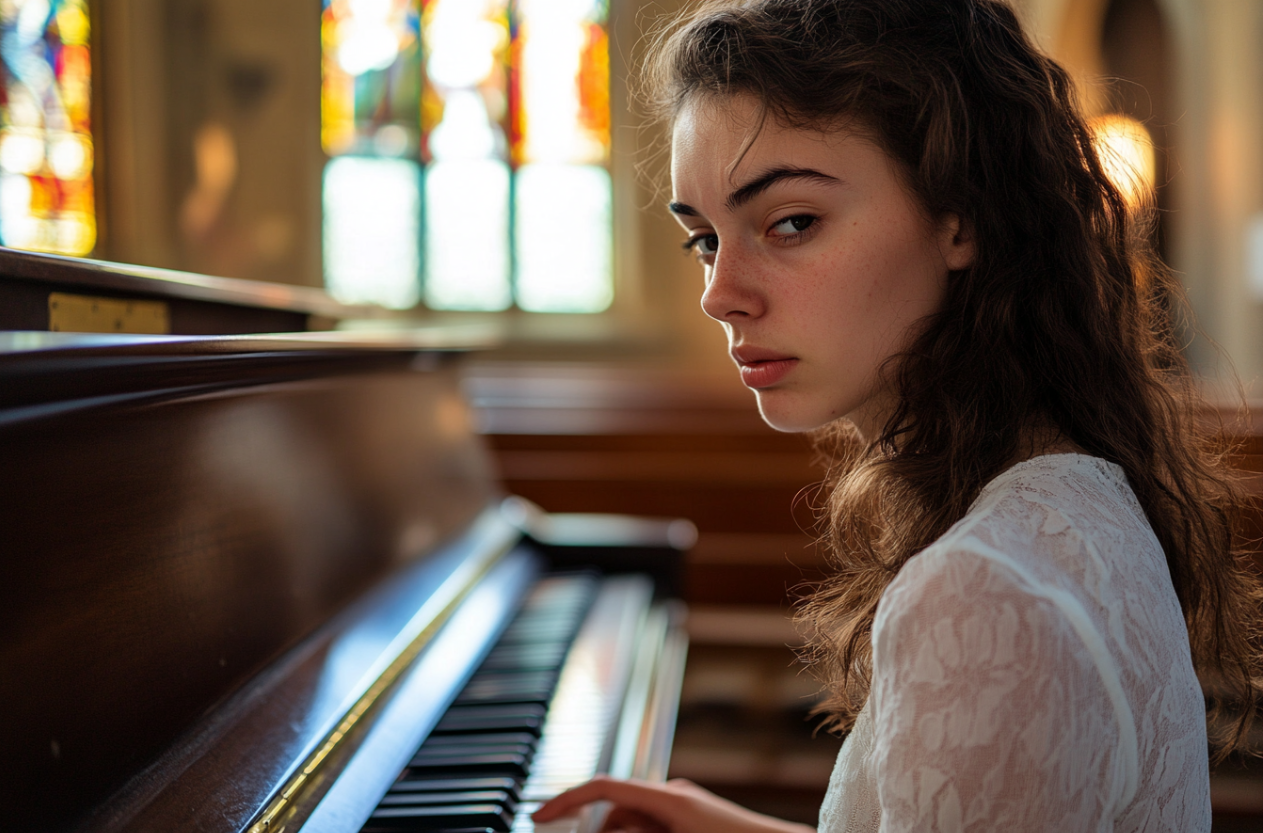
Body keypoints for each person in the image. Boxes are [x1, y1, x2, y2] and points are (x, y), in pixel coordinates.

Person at [533, 0, 1263, 830]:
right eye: (705, 238)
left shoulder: (981, 591)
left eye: (790, 222)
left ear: (960, 217)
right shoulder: (1078, 490)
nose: (718, 294)